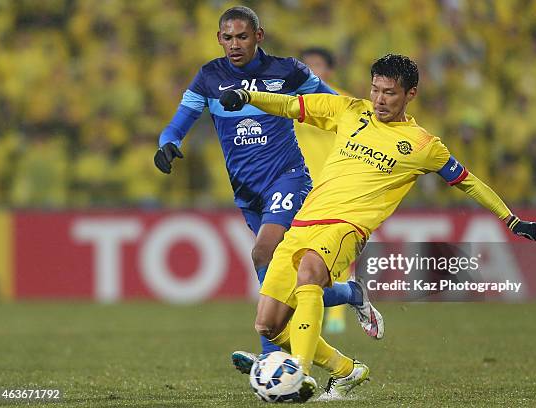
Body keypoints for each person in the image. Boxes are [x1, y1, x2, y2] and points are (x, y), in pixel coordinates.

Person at [219, 53, 536, 401]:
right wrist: (248, 97)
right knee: (269, 325)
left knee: (310, 273)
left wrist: (510, 218)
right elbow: (290, 105)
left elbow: (468, 182)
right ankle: (346, 370)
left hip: (346, 228)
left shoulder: (422, 145)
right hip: (303, 222)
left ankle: (300, 372)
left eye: (389, 93)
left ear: (410, 94)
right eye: (375, 90)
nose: (379, 100)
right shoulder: (350, 111)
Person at [153, 6, 383, 375]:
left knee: (263, 252)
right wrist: (167, 143)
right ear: (218, 39)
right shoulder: (209, 77)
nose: (234, 44)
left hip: (288, 178)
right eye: (227, 37)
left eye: (242, 36)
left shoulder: (287, 71)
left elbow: (334, 105)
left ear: (258, 37)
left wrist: (371, 135)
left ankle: (270, 352)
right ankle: (348, 294)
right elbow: (180, 121)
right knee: (283, 278)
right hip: (247, 191)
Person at [296, 47, 349, 334]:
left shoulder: (341, 102)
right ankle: (303, 308)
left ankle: (337, 314)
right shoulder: (290, 101)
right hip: (299, 185)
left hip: (332, 185)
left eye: (317, 65)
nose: (312, 70)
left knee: (334, 250)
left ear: (329, 71)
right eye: (307, 65)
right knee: (297, 252)